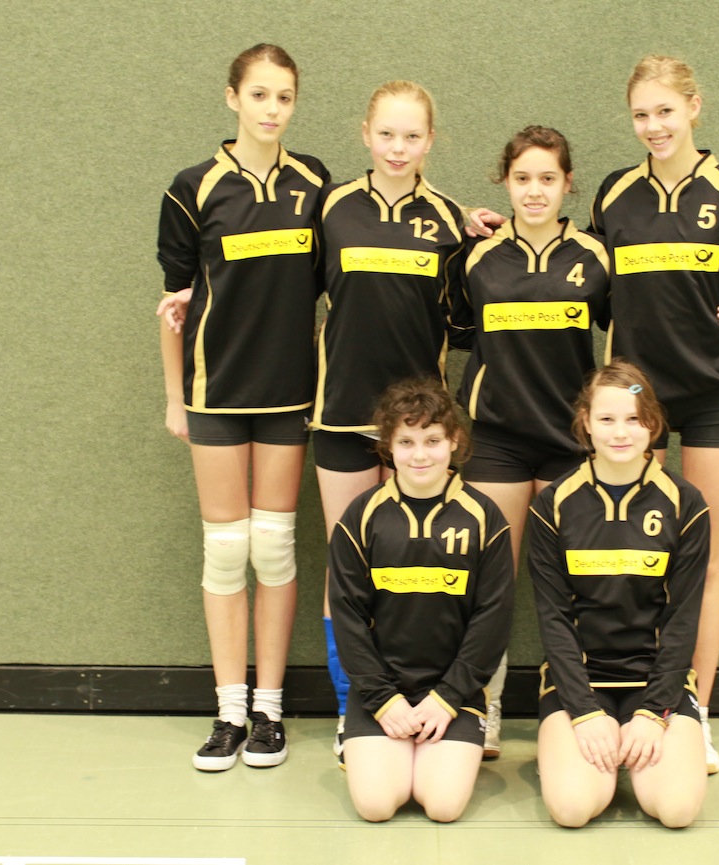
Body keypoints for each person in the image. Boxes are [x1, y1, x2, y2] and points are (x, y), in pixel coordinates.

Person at [457, 127, 719, 759]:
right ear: (504, 182)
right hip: (499, 439)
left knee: (586, 583)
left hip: (569, 442)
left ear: (568, 184)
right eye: (522, 178)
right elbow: (451, 329)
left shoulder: (596, 255)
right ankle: (484, 705)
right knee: (490, 579)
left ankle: (641, 703)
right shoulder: (475, 256)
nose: (535, 191)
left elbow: (650, 314)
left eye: (548, 178)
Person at [590, 55, 719, 773]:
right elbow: (585, 282)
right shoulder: (614, 194)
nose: (654, 126)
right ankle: (640, 700)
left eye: (665, 111)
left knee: (702, 559)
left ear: (694, 107)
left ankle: (694, 711)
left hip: (710, 400)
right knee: (638, 555)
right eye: (641, 114)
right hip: (634, 406)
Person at [156, 44, 330, 771]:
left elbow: (360, 244)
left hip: (289, 392)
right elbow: (172, 304)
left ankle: (269, 710)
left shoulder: (314, 182)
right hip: (217, 391)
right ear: (232, 97)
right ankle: (228, 711)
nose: (271, 109)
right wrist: (176, 398)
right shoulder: (192, 187)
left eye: (283, 96)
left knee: (274, 546)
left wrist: (465, 218)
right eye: (259, 94)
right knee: (227, 551)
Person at [308, 80, 468, 761]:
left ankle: (428, 706)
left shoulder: (452, 221)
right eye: (386, 134)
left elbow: (473, 315)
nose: (398, 148)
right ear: (365, 135)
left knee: (414, 564)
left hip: (419, 429)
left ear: (430, 141)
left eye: (412, 136)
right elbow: (284, 288)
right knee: (348, 567)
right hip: (344, 416)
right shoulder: (331, 208)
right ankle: (355, 708)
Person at [529, 360, 709, 828]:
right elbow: (553, 617)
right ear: (585, 422)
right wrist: (585, 712)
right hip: (580, 682)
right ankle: (574, 749)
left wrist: (653, 712)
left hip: (656, 681)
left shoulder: (685, 503)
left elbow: (683, 618)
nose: (621, 432)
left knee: (676, 810)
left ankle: (638, 742)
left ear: (653, 423)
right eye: (607, 419)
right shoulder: (554, 504)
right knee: (572, 809)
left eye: (634, 418)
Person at [329, 379, 514, 822]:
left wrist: (448, 697)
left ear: (454, 441)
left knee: (443, 805)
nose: (420, 455)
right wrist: (383, 699)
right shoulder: (362, 516)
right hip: (381, 693)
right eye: (406, 442)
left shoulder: (484, 517)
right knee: (376, 805)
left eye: (432, 440)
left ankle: (447, 742)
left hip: (455, 693)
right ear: (388, 446)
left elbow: (493, 618)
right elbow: (347, 616)